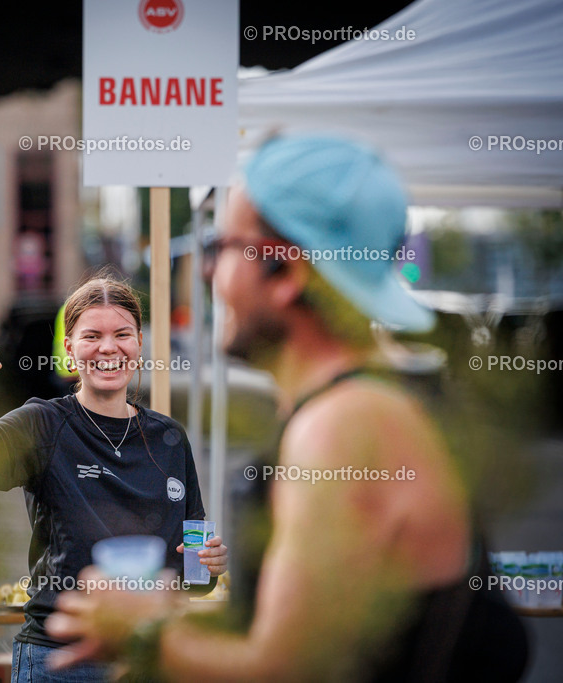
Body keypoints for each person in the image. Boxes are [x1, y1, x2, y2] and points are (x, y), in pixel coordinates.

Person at [46, 136, 528, 680]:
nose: (207, 272)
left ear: (288, 274)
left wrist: (140, 632)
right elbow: (319, 631)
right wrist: (173, 614)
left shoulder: (345, 425)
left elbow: (282, 671)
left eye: (221, 247)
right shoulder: (371, 401)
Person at [0, 273, 227, 683]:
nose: (108, 348)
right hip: (60, 660)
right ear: (69, 349)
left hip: (149, 658)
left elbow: (190, 574)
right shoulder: (44, 422)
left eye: (122, 334)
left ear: (139, 344)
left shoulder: (169, 438)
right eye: (92, 335)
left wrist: (208, 564)